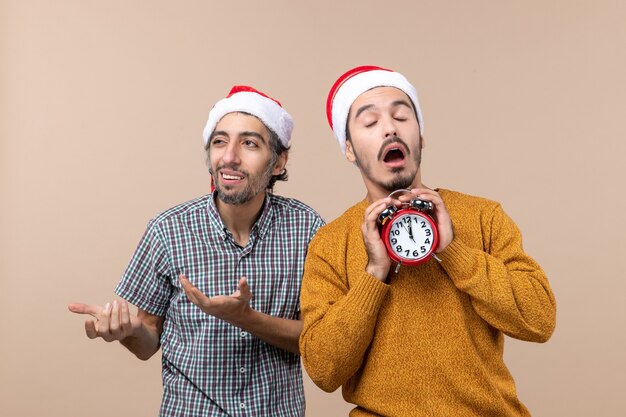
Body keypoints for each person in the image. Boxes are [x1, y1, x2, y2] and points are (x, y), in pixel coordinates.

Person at [299, 65, 556, 417]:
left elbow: (540, 320)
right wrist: (374, 274)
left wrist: (453, 251)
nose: (390, 127)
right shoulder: (331, 243)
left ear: (420, 136)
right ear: (349, 150)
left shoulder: (483, 216)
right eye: (370, 122)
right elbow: (324, 370)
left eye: (402, 116)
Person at [69, 85, 324, 416]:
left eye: (249, 143)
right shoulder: (168, 230)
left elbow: (315, 340)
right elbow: (147, 344)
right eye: (220, 141)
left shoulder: (306, 228)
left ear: (278, 162)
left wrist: (247, 319)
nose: (229, 156)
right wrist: (128, 331)